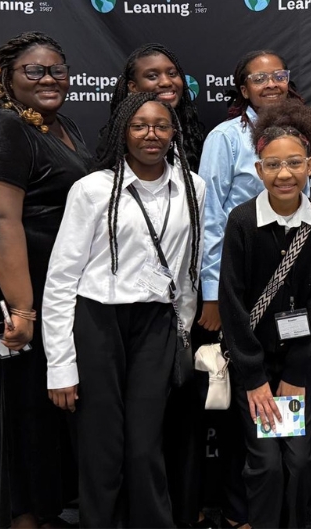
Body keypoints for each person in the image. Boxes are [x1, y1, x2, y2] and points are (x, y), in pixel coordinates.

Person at [41, 92, 205, 528]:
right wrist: (60, 365)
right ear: (122, 132)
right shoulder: (93, 189)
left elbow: (189, 267)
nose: (151, 134)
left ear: (174, 133)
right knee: (101, 442)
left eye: (161, 126)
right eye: (139, 125)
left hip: (157, 325)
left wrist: (182, 328)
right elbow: (61, 279)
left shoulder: (194, 186)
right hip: (98, 323)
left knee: (145, 442)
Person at [0, 31, 91, 527]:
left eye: (57, 69)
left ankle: (41, 507)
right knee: (8, 397)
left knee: (41, 399)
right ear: (7, 78)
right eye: (33, 71)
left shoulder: (64, 128)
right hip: (5, 286)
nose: (48, 79)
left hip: (48, 285)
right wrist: (22, 309)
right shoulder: (1, 127)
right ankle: (15, 515)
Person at [198, 49, 304, 525]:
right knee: (247, 402)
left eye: (278, 75)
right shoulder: (226, 137)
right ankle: (244, 513)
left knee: (289, 424)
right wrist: (213, 292)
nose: (270, 84)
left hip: (295, 281)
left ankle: (279, 512)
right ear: (243, 89)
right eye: (258, 78)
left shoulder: (303, 129)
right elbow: (212, 218)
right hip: (241, 282)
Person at [219, 99, 311, 528]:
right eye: (272, 165)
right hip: (252, 364)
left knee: (301, 460)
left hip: (295, 364)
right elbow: (231, 303)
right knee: (266, 463)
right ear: (258, 169)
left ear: (309, 165)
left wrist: (297, 372)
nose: (283, 174)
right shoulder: (242, 221)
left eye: (293, 164)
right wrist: (253, 379)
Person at [106, 43, 205, 172]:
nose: (166, 82)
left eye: (172, 73)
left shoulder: (190, 130)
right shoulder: (119, 133)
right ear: (133, 87)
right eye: (152, 76)